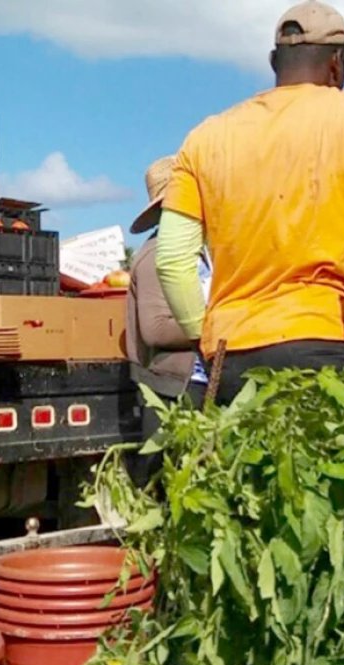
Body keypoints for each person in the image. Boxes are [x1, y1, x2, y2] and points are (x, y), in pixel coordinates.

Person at [154, 0, 344, 406]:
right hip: (327, 345)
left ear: (274, 60)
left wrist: (202, 334)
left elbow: (171, 260)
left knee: (246, 469)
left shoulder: (204, 138)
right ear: (337, 64)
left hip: (233, 356)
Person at [125, 156, 212, 486]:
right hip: (173, 390)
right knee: (169, 486)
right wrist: (216, 326)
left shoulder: (201, 252)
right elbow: (156, 328)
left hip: (202, 384)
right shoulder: (154, 257)